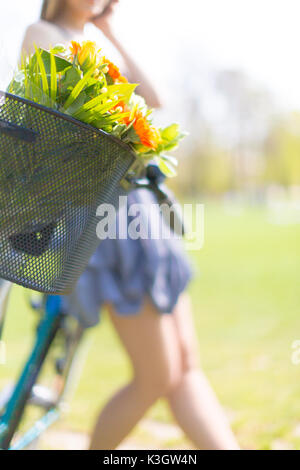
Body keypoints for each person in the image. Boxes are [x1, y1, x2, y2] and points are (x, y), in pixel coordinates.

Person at [21, 0, 240, 450]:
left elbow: (154, 100)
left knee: (185, 367)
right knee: (156, 376)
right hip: (107, 219)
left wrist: (110, 31)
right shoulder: (42, 34)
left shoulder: (95, 42)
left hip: (139, 207)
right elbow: (81, 123)